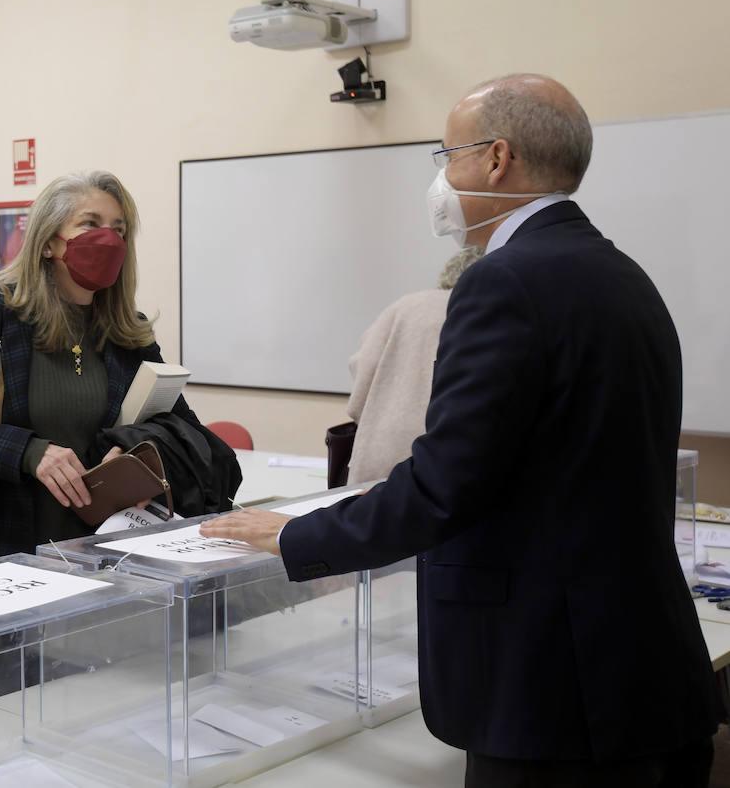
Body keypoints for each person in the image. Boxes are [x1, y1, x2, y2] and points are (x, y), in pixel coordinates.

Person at [201, 74, 723, 786]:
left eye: (448, 154)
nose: (442, 176)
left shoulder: (502, 281)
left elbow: (446, 484)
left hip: (550, 686)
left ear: (496, 158)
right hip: (642, 670)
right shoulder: (621, 272)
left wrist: (294, 535)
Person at [0, 170, 240, 559]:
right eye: (90, 224)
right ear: (49, 242)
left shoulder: (126, 328)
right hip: (13, 550)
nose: (109, 239)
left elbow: (185, 429)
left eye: (119, 229)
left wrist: (138, 453)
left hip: (112, 552)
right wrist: (29, 452)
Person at [342, 245, 483, 486]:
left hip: (380, 454)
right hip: (446, 462)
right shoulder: (486, 312)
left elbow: (360, 370)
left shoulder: (406, 306)